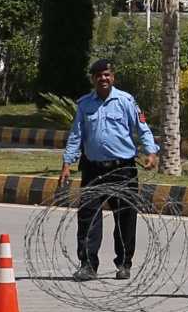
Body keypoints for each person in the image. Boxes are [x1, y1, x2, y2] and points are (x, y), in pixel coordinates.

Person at [57, 59, 160, 281]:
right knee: (88, 216)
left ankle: (124, 263)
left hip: (122, 169)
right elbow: (76, 135)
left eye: (107, 75)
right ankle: (88, 265)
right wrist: (67, 163)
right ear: (93, 79)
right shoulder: (85, 104)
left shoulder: (126, 101)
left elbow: (142, 128)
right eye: (98, 76)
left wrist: (151, 152)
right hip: (93, 169)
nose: (103, 79)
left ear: (112, 77)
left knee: (125, 217)